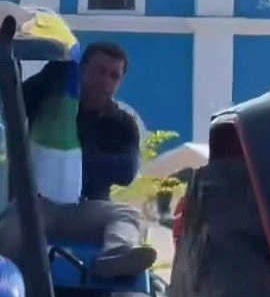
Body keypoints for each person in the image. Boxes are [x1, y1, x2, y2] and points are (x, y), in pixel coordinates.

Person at [0, 41, 156, 279]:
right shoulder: (47, 100)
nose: (105, 80)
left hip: (87, 208)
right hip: (38, 204)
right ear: (81, 69)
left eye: (113, 75)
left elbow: (126, 171)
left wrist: (76, 159)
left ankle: (115, 255)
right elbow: (12, 102)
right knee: (10, 234)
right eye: (99, 70)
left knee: (128, 215)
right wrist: (53, 73)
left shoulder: (122, 123)